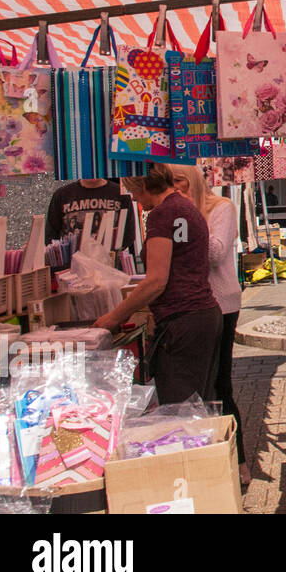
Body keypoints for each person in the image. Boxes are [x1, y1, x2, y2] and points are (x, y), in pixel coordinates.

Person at [93, 165, 223, 402]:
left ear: (144, 185)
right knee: (196, 405)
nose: (133, 197)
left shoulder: (162, 214)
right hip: (201, 316)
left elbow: (156, 280)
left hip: (181, 320)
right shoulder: (184, 206)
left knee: (180, 409)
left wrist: (114, 318)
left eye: (133, 190)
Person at [168, 164, 251, 488]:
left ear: (192, 181)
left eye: (179, 183)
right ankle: (207, 458)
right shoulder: (176, 214)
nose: (175, 190)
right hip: (190, 304)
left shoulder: (222, 208)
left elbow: (215, 253)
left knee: (221, 384)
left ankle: (239, 459)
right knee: (197, 387)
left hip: (221, 302)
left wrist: (188, 221)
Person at [45, 178, 136, 248]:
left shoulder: (121, 194)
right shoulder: (62, 195)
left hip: (110, 265)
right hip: (71, 267)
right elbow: (51, 236)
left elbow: (129, 235)